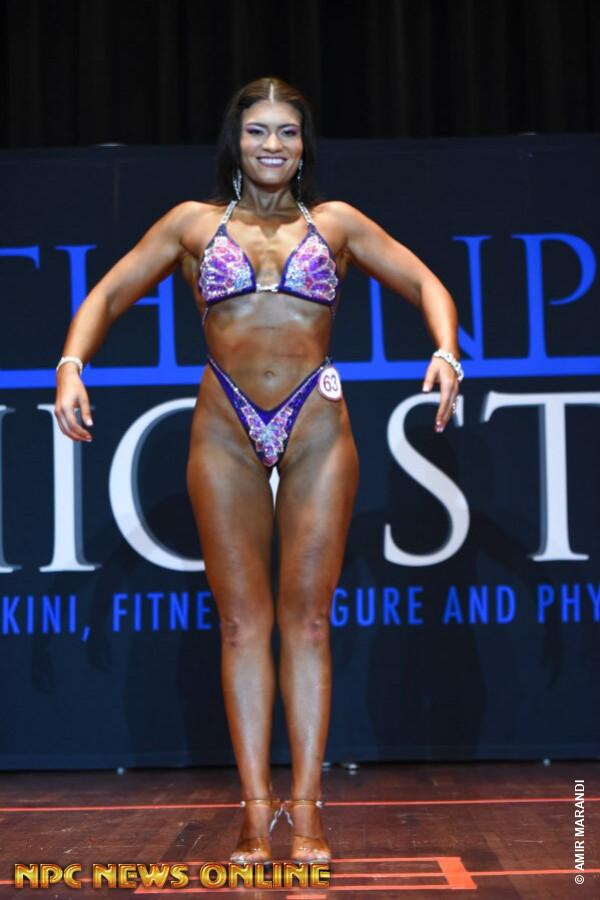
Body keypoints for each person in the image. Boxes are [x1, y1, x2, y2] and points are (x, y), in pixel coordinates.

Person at [54, 77, 463, 864]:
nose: (272, 145)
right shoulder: (191, 224)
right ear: (234, 141)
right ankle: (255, 812)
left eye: (287, 132)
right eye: (257, 131)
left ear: (304, 146)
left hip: (315, 424)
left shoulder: (335, 223)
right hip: (225, 426)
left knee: (308, 621)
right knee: (242, 624)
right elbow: (106, 293)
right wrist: (72, 364)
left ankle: (306, 813)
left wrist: (446, 351)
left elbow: (424, 281)